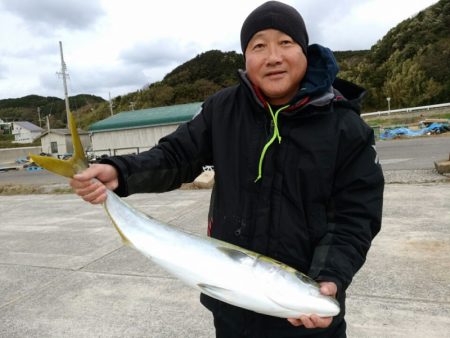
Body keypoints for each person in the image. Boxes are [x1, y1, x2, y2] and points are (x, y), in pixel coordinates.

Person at [70, 1, 384, 337]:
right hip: (232, 310)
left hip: (308, 313)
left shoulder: (346, 127)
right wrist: (119, 172)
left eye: (286, 43)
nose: (273, 56)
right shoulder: (223, 109)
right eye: (258, 45)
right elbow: (176, 156)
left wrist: (329, 278)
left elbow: (354, 217)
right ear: (246, 58)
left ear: (304, 50)